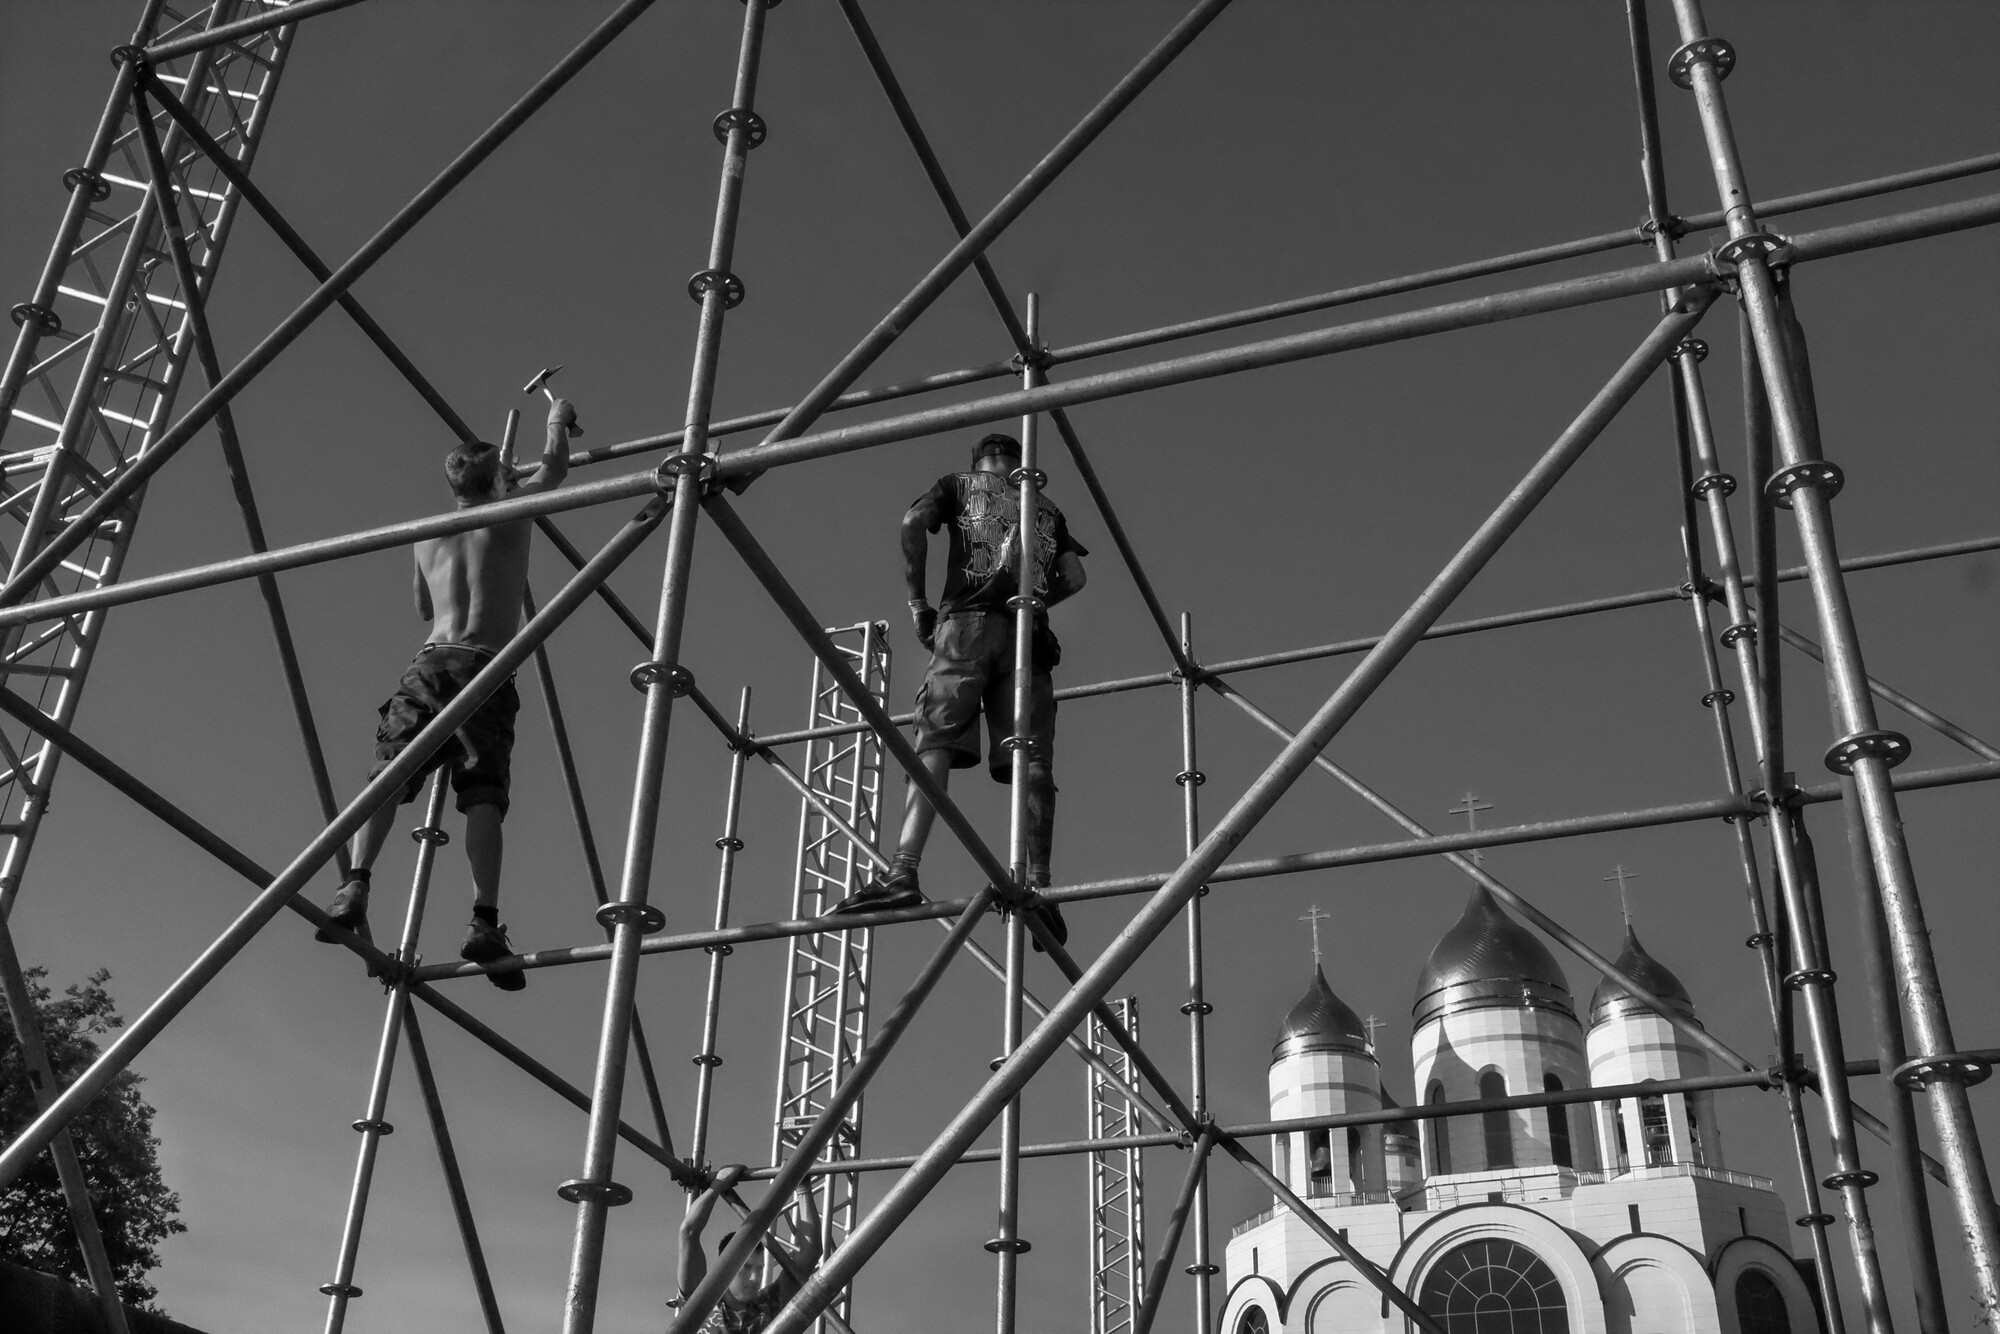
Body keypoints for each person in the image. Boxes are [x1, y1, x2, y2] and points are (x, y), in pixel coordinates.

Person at [314, 398, 575, 989]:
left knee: (388, 775)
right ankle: (484, 920)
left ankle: (354, 883)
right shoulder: (512, 513)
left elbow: (422, 607)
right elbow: (556, 468)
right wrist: (557, 418)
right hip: (485, 667)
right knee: (482, 795)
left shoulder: (427, 535)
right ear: (500, 477)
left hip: (429, 663)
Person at [833, 431, 1087, 943]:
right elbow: (1075, 576)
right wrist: (1037, 604)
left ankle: (903, 870)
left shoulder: (959, 485)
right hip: (1028, 638)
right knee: (1032, 758)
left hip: (967, 626)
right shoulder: (1047, 509)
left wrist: (918, 605)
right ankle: (1040, 887)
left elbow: (912, 522)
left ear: (979, 462)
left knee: (936, 740)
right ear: (1019, 461)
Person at [674, 1164, 823, 1334]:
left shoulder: (767, 1305)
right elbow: (688, 1232)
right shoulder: (702, 1303)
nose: (754, 1278)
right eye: (746, 1267)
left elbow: (811, 1253)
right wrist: (719, 1184)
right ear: (723, 1269)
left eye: (760, 1269)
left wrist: (803, 1188)